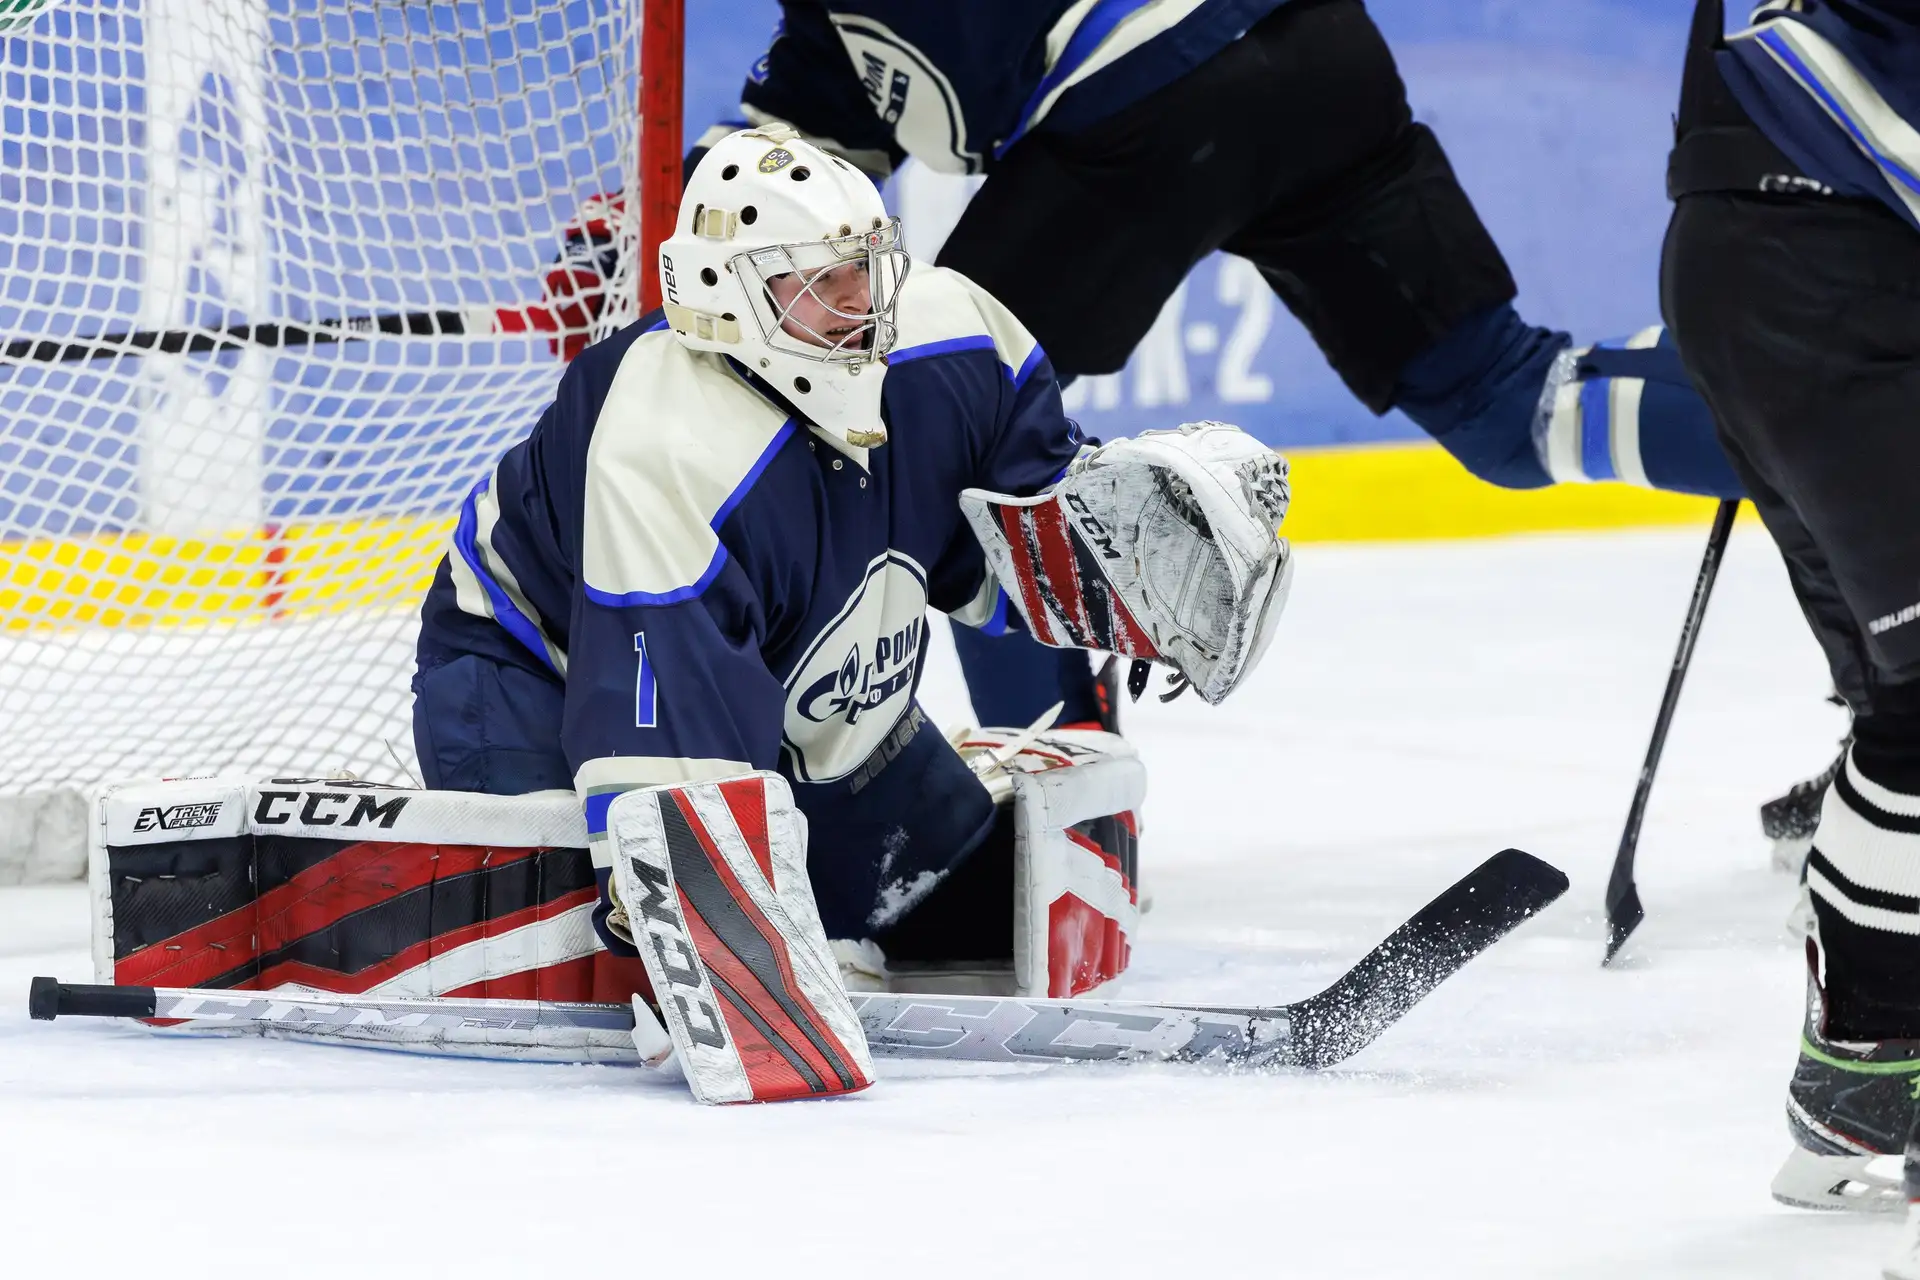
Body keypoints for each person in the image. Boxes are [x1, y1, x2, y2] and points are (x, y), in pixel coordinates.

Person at [662, 0, 1749, 732]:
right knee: (1506, 402)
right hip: (1315, 48)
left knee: (956, 444)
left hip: (1148, 104)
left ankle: (1056, 790)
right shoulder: (827, 38)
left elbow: (782, 189)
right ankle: (1820, 425)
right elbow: (794, 159)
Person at [410, 127, 1288, 1024]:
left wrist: (1122, 568)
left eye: (867, 263)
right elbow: (669, 758)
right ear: (727, 293)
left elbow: (1025, 543)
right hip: (534, 672)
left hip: (799, 675)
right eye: (821, 280)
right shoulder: (663, 447)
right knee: (587, 957)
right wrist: (702, 912)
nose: (861, 300)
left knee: (956, 908)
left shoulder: (958, 338)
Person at [1654, 0, 1920, 1237]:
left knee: (1901, 700)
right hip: (1819, 267)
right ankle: (1864, 1075)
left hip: (1777, 253)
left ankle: (1867, 1083)